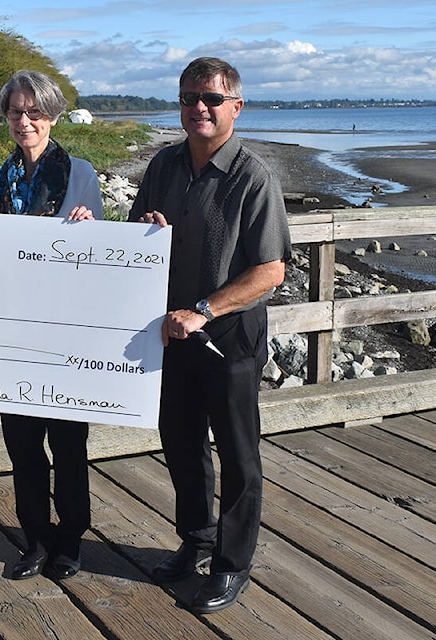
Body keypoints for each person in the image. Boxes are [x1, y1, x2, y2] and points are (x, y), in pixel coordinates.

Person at [128, 57, 291, 613]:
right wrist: (143, 237)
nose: (199, 107)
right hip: (171, 336)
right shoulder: (163, 166)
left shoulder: (253, 176)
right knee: (181, 443)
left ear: (235, 107)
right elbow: (131, 238)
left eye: (212, 99)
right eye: (188, 97)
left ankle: (232, 562)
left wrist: (204, 309)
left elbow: (271, 271)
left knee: (239, 455)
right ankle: (195, 541)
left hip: (230, 339)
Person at [0, 70, 102, 580]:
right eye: (15, 112)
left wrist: (90, 231)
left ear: (51, 115)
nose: (24, 121)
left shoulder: (81, 172)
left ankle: (71, 538)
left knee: (69, 444)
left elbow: (102, 254)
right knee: (23, 445)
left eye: (34, 112)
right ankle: (35, 537)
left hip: (63, 331)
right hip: (9, 332)